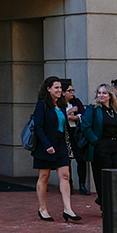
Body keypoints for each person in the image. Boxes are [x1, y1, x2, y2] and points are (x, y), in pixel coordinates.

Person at [31, 76, 81, 222]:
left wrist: (69, 149)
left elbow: (65, 129)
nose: (59, 91)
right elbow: (38, 126)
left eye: (60, 88)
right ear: (48, 89)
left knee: (65, 175)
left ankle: (68, 209)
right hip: (45, 144)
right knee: (44, 176)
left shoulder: (61, 105)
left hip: (60, 144)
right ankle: (43, 208)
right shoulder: (42, 105)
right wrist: (47, 145)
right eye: (56, 88)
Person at [83, 83, 117, 208]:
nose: (101, 95)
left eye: (104, 93)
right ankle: (106, 204)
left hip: (115, 145)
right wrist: (96, 142)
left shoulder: (116, 110)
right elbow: (85, 127)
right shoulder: (93, 109)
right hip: (100, 145)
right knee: (103, 177)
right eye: (99, 93)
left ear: (110, 95)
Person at [64, 80, 91, 195]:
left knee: (81, 159)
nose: (72, 93)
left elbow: (84, 115)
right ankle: (68, 184)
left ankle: (82, 185)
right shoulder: (60, 104)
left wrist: (75, 116)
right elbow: (60, 117)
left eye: (73, 90)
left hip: (77, 132)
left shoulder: (77, 102)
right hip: (65, 133)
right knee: (67, 159)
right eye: (69, 91)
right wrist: (70, 112)